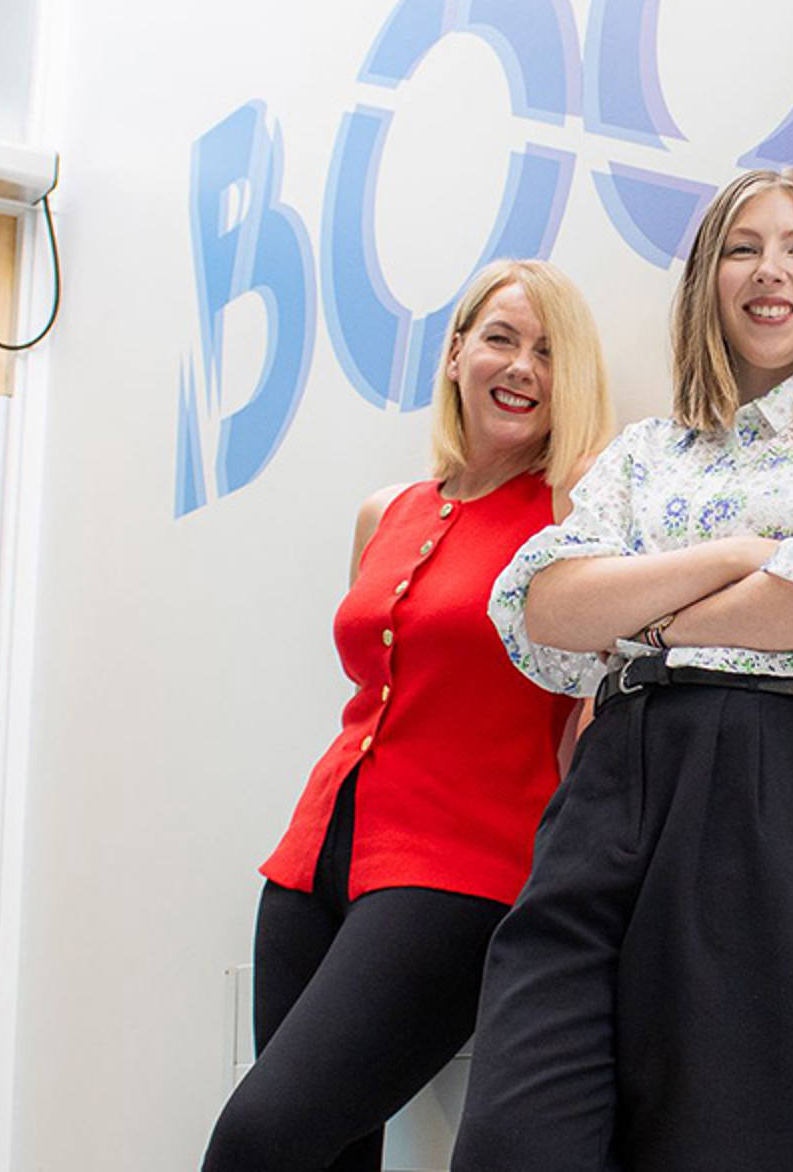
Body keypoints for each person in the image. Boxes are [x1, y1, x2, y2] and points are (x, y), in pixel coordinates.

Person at [451, 168, 793, 1172]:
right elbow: (544, 602)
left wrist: (641, 612)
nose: (769, 271)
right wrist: (738, 554)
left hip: (774, 778)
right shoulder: (647, 453)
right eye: (741, 246)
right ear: (705, 281)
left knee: (723, 1142)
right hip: (608, 788)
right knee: (513, 1136)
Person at [202, 259, 615, 1172]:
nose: (522, 368)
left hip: (461, 872)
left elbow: (590, 703)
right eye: (502, 339)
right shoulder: (386, 511)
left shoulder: (573, 507)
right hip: (313, 859)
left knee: (259, 1141)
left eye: (550, 352)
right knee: (333, 1154)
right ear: (458, 351)